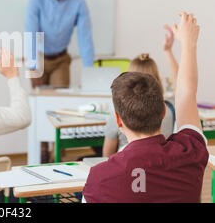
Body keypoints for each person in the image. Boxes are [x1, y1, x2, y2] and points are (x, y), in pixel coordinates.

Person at [83, 13, 208, 203]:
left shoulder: (99, 178)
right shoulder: (190, 152)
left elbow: (185, 94)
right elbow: (186, 93)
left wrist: (187, 44)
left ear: (118, 120)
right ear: (163, 110)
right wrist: (188, 44)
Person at [25, 0, 94, 89]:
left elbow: (85, 39)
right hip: (39, 59)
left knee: (60, 101)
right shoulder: (36, 0)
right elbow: (31, 34)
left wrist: (89, 74)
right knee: (38, 101)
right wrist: (33, 67)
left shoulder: (78, 3)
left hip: (60, 60)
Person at [103, 53, 175, 156]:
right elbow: (183, 89)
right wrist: (168, 51)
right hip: (160, 161)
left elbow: (106, 156)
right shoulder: (171, 108)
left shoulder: (118, 115)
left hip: (125, 167)